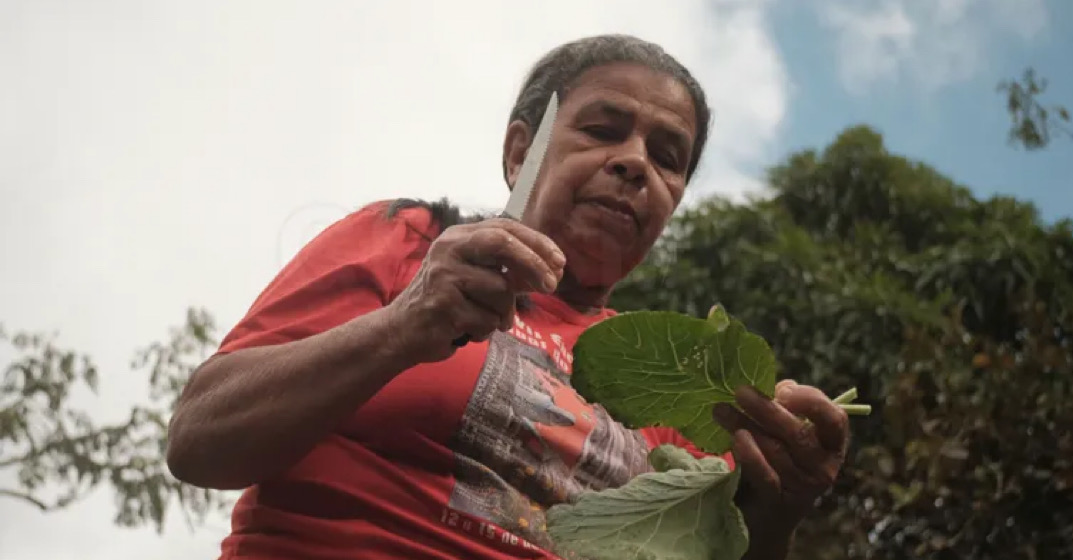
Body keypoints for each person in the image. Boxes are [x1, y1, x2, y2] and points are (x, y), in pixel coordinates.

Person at [166, 34, 851, 560]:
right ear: (521, 152)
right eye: (603, 129)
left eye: (668, 156)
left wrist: (781, 503)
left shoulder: (677, 390)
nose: (636, 162)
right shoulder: (410, 242)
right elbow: (201, 441)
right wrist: (405, 325)